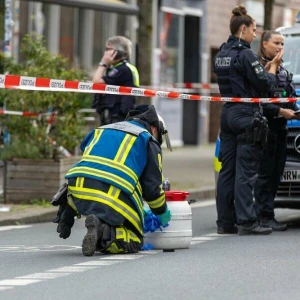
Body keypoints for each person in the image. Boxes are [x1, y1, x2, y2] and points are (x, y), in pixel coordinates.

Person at [51, 105, 172, 256]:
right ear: (155, 128)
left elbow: (90, 162)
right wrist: (161, 212)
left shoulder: (101, 129)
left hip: (76, 186)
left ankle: (71, 207)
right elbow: (152, 189)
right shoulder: (147, 140)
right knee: (135, 240)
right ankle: (104, 231)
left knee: (94, 185)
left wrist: (71, 207)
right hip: (112, 191)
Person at [214, 5, 282, 235]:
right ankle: (247, 221)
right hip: (246, 114)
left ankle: (225, 222)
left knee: (227, 171)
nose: (255, 35)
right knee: (246, 171)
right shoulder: (245, 54)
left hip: (227, 114)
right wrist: (271, 69)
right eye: (253, 30)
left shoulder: (222, 52)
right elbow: (266, 86)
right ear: (243, 29)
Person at [254, 30, 300, 231]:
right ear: (264, 44)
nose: (280, 48)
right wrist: (281, 110)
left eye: (282, 44)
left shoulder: (282, 71)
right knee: (265, 174)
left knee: (276, 173)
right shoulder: (260, 69)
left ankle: (268, 214)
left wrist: (296, 111)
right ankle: (261, 215)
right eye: (276, 43)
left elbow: (289, 95)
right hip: (266, 128)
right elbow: (260, 102)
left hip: (281, 128)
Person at [91, 36, 140, 125]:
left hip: (118, 116)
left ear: (118, 52)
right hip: (115, 115)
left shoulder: (123, 69)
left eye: (109, 49)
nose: (106, 53)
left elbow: (96, 82)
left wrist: (103, 64)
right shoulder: (120, 67)